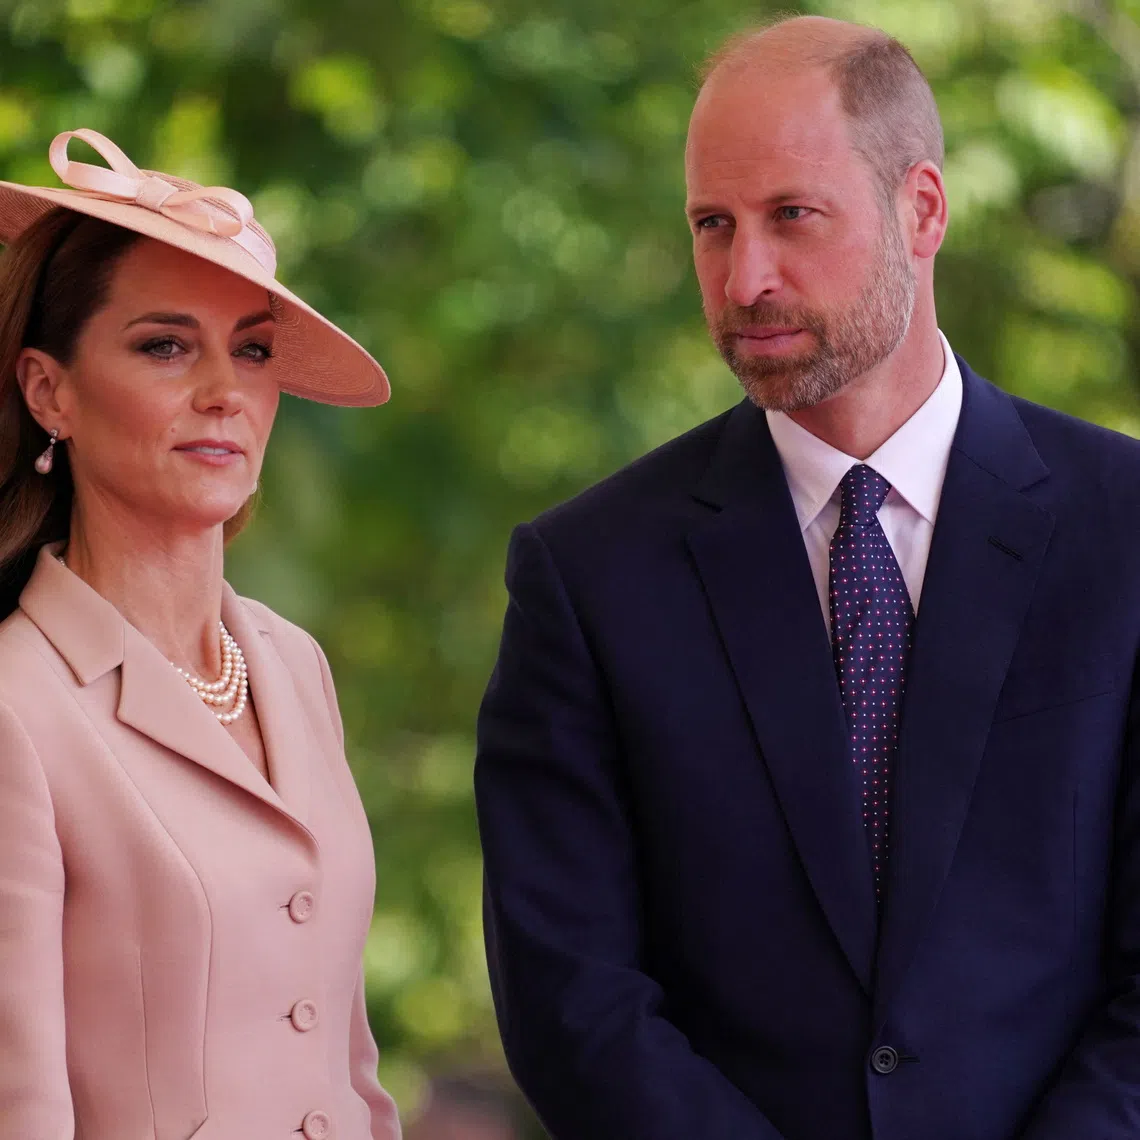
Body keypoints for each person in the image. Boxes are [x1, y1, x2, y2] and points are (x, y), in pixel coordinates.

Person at [475, 15, 1140, 1140]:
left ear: (922, 209)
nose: (746, 277)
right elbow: (570, 997)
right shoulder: (586, 576)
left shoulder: (1124, 529)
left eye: (792, 216)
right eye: (712, 226)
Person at [0, 129, 401, 1139]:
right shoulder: (14, 706)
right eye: (165, 345)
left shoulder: (293, 665)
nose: (227, 389)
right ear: (50, 390)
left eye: (253, 349)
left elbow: (348, 1063)